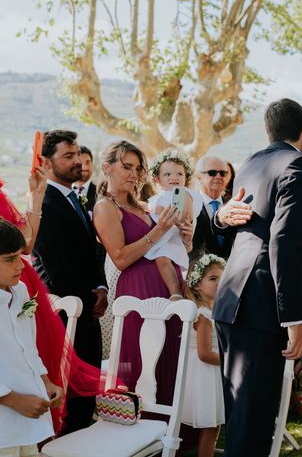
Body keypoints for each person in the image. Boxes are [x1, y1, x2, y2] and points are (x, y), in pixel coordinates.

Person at [213, 98, 302, 456]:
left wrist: (219, 218)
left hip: (230, 300)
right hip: (261, 304)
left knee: (241, 416)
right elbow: (283, 241)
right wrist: (293, 318)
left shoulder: (250, 163)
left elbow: (242, 223)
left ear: (268, 130)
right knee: (254, 422)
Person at [93, 141, 192, 405]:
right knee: (145, 359)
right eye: (126, 167)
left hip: (170, 284)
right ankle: (143, 423)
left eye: (138, 169)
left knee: (171, 354)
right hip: (139, 289)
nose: (134, 174)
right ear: (107, 167)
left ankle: (175, 431)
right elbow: (121, 258)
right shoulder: (105, 207)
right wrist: (157, 231)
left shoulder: (144, 205)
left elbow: (170, 245)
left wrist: (186, 237)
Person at [32, 130, 108, 433]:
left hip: (88, 307)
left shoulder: (75, 198)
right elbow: (56, 268)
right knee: (72, 401)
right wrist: (90, 301)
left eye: (78, 154)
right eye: (68, 156)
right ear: (47, 163)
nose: (78, 161)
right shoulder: (48, 205)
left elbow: (92, 251)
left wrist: (102, 287)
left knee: (85, 399)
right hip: (65, 315)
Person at [0, 219, 63, 457]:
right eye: (10, 259)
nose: (20, 265)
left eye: (20, 256)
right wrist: (12, 400)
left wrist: (45, 381)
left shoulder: (21, 292)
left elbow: (29, 346)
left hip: (26, 412)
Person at [181, 253, 226, 457]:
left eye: (222, 278)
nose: (219, 283)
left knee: (212, 427)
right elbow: (204, 354)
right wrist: (231, 360)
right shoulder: (203, 317)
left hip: (211, 374)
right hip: (206, 375)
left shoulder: (215, 311)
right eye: (213, 278)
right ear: (197, 285)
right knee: (211, 427)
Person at [146, 150, 199, 299]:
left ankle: (175, 292)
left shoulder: (183, 194)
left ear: (186, 178)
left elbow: (182, 218)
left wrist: (164, 211)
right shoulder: (156, 198)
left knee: (162, 259)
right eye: (168, 174)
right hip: (158, 239)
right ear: (157, 179)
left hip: (172, 239)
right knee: (161, 259)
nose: (174, 177)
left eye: (179, 174)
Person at [190, 155, 233, 260]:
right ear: (199, 176)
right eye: (212, 172)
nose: (218, 176)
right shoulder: (190, 205)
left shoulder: (232, 205)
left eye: (223, 173)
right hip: (198, 271)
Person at [72, 146, 97, 212]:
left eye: (88, 162)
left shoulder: (100, 193)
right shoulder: (62, 191)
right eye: (80, 163)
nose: (84, 167)